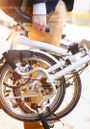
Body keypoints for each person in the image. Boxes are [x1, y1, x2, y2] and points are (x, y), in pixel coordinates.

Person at [24, 0, 74, 129]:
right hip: (50, 6)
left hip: (51, 7)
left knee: (41, 68)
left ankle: (35, 120)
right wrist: (39, 4)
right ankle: (34, 123)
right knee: (41, 69)